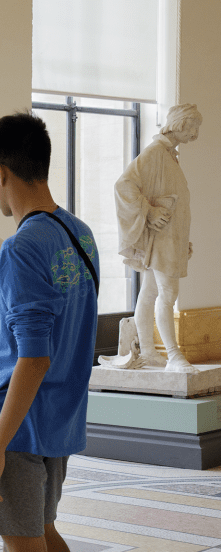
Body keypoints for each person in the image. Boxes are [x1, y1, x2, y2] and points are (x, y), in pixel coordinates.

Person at [0, 112, 98, 552]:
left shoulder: (23, 245)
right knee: (42, 534)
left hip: (16, 423)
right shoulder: (78, 233)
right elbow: (52, 320)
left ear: (1, 173)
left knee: (21, 551)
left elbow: (33, 355)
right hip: (57, 420)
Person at [115, 104, 201, 373]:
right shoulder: (154, 153)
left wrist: (182, 238)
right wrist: (149, 211)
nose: (196, 133)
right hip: (161, 239)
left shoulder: (167, 155)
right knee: (168, 293)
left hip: (169, 238)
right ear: (180, 124)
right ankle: (173, 356)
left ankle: (150, 353)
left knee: (150, 292)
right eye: (194, 127)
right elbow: (123, 184)